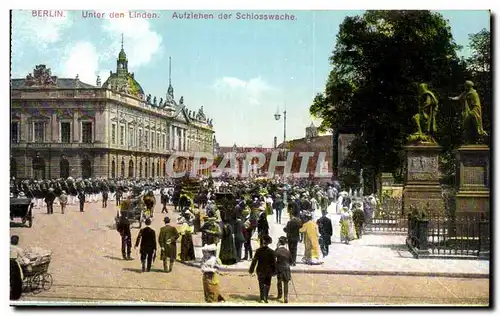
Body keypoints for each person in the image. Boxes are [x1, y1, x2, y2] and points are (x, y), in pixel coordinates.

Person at [249, 235, 276, 303]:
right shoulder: (271, 252)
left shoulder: (258, 251)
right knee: (267, 284)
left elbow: (254, 261)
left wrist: (251, 270)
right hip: (268, 271)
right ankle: (265, 298)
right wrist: (275, 271)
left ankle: (261, 298)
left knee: (261, 284)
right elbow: (274, 263)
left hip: (260, 270)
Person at [274, 236, 292, 303]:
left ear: (279, 242)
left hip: (279, 268)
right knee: (286, 283)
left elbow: (273, 256)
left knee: (279, 282)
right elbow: (291, 261)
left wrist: (276, 247)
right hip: (287, 268)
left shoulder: (278, 250)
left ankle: (279, 295)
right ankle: (286, 297)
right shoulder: (287, 251)